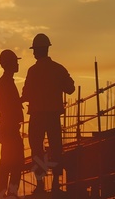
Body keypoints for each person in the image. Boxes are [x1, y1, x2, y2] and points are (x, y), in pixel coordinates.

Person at [21, 33, 75, 195]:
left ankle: (40, 184)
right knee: (56, 149)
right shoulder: (58, 69)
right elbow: (71, 88)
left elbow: (26, 94)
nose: (33, 53)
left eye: (34, 50)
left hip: (37, 116)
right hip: (52, 116)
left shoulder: (33, 71)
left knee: (37, 150)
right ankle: (56, 184)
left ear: (38, 50)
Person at [0, 49, 25, 199]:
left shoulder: (6, 82)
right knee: (12, 163)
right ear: (8, 64)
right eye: (15, 62)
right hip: (9, 128)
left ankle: (4, 193)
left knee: (11, 163)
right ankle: (6, 194)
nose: (17, 64)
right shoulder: (5, 83)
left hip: (9, 128)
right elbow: (8, 106)